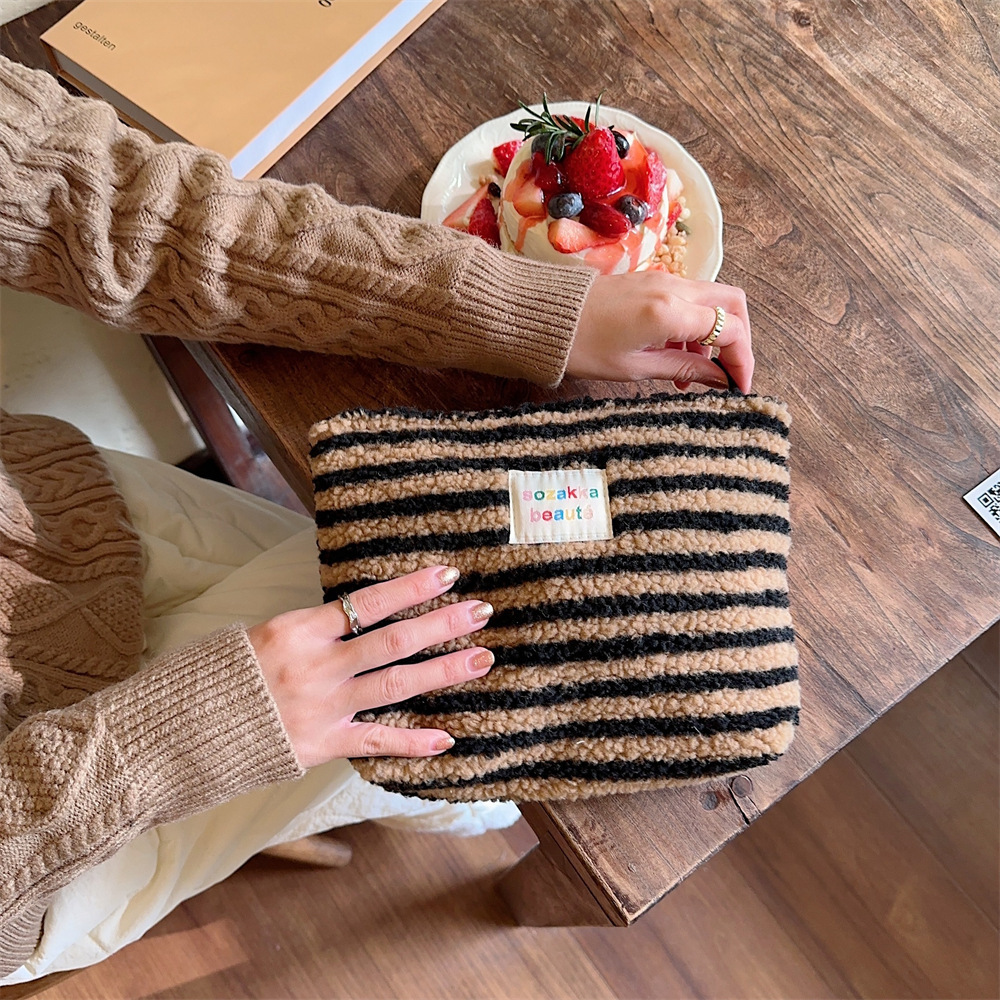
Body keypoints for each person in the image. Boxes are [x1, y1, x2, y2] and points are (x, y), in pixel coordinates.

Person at [0, 53, 754, 981]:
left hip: (52, 511)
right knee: (478, 781)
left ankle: (389, 801)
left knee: (447, 683)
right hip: (55, 829)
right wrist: (186, 739)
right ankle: (424, 806)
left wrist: (526, 308)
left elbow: (107, 202)